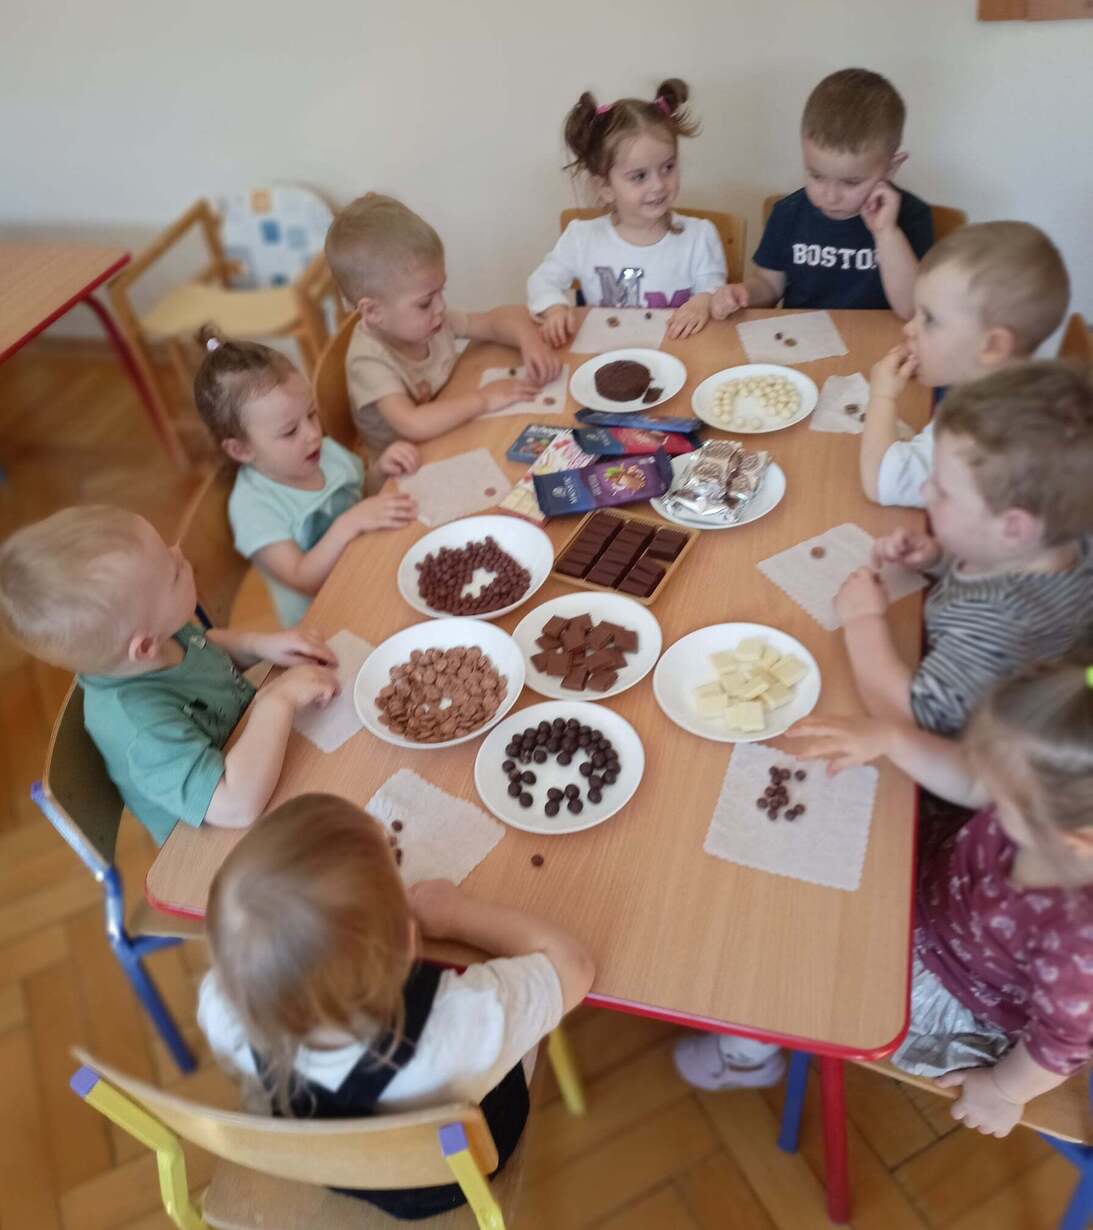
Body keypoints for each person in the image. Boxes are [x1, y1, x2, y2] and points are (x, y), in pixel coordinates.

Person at [198, 793, 595, 1217]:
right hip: (453, 1174)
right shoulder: (460, 1023)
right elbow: (575, 967)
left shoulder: (221, 1006)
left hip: (341, 1167)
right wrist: (458, 916)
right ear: (408, 939)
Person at [788, 655, 1093, 1137]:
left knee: (794, 971)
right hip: (928, 882)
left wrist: (1004, 1091)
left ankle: (744, 1054)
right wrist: (891, 738)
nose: (985, 790)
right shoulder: (1051, 810)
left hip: (955, 987)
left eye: (1001, 796)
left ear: (1072, 840)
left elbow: (1061, 1045)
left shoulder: (1079, 947)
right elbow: (971, 783)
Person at [0, 507, 338, 844]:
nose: (178, 551)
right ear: (145, 646)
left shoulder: (157, 637)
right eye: (173, 574)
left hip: (255, 757)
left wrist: (258, 646)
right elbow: (236, 805)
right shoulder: (141, 728)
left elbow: (202, 645)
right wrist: (278, 700)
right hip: (224, 840)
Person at [838, 361, 1093, 736]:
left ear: (1013, 526)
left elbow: (913, 717)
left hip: (978, 745)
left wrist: (862, 621)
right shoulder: (1069, 542)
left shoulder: (995, 620)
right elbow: (1002, 565)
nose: (924, 491)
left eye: (942, 489)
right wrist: (939, 558)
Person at [192, 326, 417, 627]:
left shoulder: (324, 452)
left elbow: (362, 496)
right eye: (289, 431)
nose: (312, 433)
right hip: (327, 620)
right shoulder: (253, 509)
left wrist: (380, 471)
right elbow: (303, 578)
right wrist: (349, 523)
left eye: (311, 414)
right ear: (241, 449)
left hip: (371, 570)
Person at [326, 193, 559, 454]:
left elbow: (496, 320)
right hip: (407, 462)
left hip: (450, 428)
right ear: (373, 311)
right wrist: (484, 399)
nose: (441, 307)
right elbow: (412, 423)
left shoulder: (429, 322)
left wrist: (530, 342)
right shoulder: (368, 360)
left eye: (441, 290)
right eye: (425, 302)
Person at [860, 221, 1070, 507]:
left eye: (929, 319)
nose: (909, 328)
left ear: (993, 346)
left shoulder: (981, 433)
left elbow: (881, 481)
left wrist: (882, 396)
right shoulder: (1005, 385)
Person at [712, 67, 931, 322]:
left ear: (890, 168)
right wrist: (744, 292)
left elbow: (911, 310)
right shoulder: (788, 213)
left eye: (851, 182)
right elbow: (769, 284)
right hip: (803, 337)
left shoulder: (911, 216)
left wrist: (886, 233)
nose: (830, 196)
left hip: (878, 341)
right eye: (816, 176)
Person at [527, 77, 725, 343]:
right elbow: (541, 281)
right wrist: (555, 309)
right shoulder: (581, 238)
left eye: (668, 167)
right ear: (605, 187)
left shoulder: (699, 236)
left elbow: (713, 287)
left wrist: (704, 302)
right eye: (639, 176)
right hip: (607, 354)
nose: (658, 185)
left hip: (679, 352)